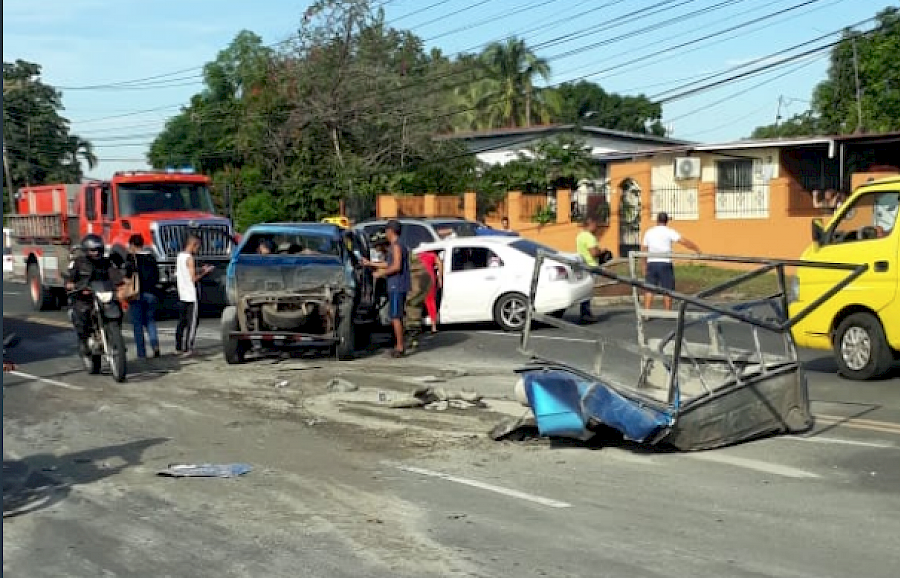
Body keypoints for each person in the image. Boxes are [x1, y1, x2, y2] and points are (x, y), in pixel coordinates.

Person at [64, 234, 124, 358]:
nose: (96, 253)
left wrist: (121, 283)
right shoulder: (79, 263)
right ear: (86, 250)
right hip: (85, 297)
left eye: (98, 250)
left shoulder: (106, 263)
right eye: (92, 250)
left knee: (117, 308)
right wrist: (71, 284)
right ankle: (84, 341)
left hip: (102, 294)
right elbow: (70, 277)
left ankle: (116, 339)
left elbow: (114, 274)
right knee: (82, 313)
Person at [362, 220, 410, 358]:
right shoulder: (396, 246)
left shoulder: (396, 246)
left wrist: (381, 273)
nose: (386, 234)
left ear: (391, 231)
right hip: (396, 284)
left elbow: (396, 266)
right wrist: (370, 263)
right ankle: (398, 344)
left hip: (397, 284)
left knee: (395, 316)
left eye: (387, 231)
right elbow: (388, 263)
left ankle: (400, 347)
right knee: (395, 315)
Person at [641, 212, 701, 311]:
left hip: (652, 263)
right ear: (667, 221)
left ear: (657, 220)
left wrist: (644, 265)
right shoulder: (669, 231)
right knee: (667, 289)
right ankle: (667, 312)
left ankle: (647, 312)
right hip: (665, 263)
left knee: (649, 289)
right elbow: (683, 241)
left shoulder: (649, 232)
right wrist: (696, 249)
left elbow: (643, 249)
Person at [175, 234, 213, 357]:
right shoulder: (190, 258)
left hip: (182, 293)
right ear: (193, 244)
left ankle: (178, 346)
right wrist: (204, 272)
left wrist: (199, 269)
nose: (198, 250)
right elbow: (193, 278)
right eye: (198, 247)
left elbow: (185, 273)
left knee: (181, 321)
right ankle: (189, 347)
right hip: (191, 294)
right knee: (192, 323)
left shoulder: (180, 256)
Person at [124, 234, 161, 359]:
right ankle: (155, 345)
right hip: (151, 293)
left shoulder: (132, 258)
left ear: (133, 245)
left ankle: (141, 353)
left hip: (137, 294)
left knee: (137, 324)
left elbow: (128, 275)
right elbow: (157, 275)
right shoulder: (151, 257)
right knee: (150, 321)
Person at [575, 215, 608, 323]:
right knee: (588, 291)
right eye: (595, 224)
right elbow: (593, 252)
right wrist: (601, 252)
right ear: (591, 224)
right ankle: (586, 314)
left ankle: (585, 312)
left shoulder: (579, 236)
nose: (597, 227)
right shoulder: (589, 237)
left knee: (585, 290)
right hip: (591, 266)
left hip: (583, 265)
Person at [404, 250, 433, 348]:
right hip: (421, 278)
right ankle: (413, 337)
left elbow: (395, 266)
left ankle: (412, 336)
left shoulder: (397, 250)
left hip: (418, 279)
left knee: (411, 305)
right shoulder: (404, 250)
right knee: (414, 307)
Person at [417, 249, 443, 333]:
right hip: (429, 277)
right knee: (431, 302)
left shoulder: (417, 254)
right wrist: (439, 277)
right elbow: (439, 264)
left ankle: (418, 325)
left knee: (418, 302)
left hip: (418, 278)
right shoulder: (433, 255)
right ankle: (433, 326)